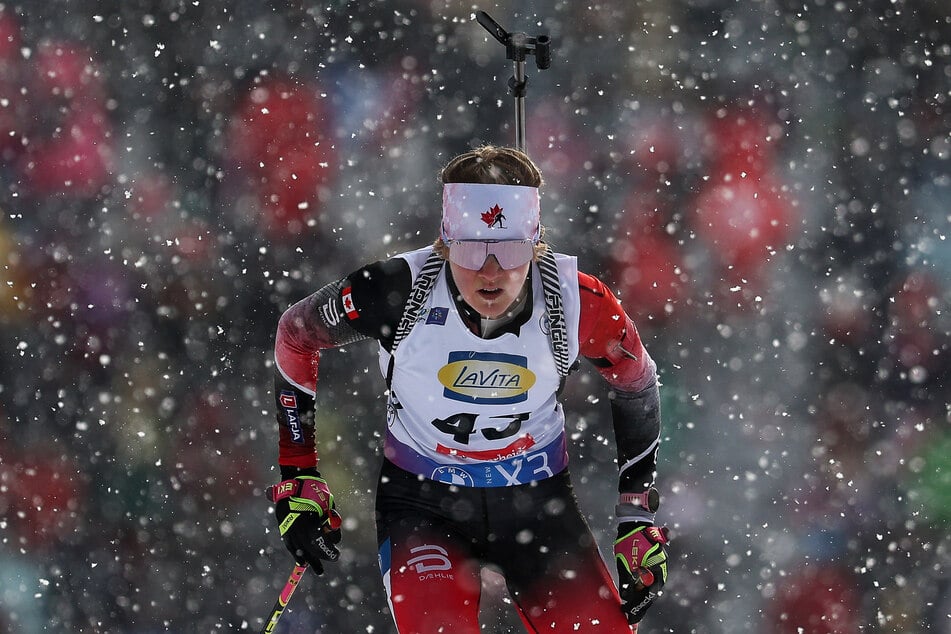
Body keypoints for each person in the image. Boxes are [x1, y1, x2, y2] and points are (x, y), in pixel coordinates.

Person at [267, 145, 670, 632]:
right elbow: (295, 335)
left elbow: (638, 385)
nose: (491, 272)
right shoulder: (395, 290)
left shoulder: (576, 301)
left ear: (537, 244)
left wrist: (635, 512)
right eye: (472, 248)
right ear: (444, 242)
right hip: (424, 504)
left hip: (536, 507)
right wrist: (299, 475)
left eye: (511, 250)